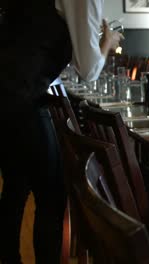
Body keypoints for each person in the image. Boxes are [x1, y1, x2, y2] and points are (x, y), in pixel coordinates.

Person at [0, 0, 123, 263]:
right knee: (52, 198)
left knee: (15, 186)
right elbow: (88, 69)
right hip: (21, 97)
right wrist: (108, 41)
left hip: (8, 94)